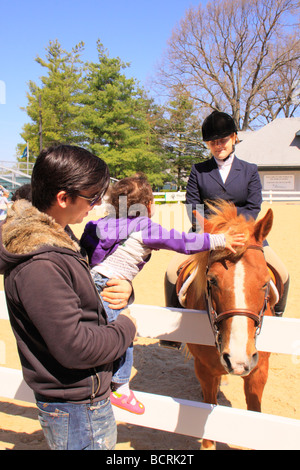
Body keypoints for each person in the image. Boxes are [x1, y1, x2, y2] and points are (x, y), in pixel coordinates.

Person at [0, 145, 137, 450]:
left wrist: (124, 288)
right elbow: (75, 347)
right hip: (77, 405)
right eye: (92, 198)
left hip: (77, 400)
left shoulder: (58, 237)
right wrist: (126, 328)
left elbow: (81, 293)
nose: (97, 204)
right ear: (63, 198)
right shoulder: (40, 264)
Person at [80, 173, 245, 410]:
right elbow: (184, 242)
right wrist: (219, 241)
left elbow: (84, 250)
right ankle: (121, 387)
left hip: (91, 281)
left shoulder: (99, 224)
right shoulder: (145, 227)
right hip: (111, 286)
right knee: (123, 334)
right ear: (148, 206)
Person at [185, 110, 289, 316]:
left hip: (246, 234)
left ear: (234, 138)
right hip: (207, 233)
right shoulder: (199, 171)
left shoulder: (249, 170)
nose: (218, 146)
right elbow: (192, 206)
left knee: (283, 273)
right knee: (173, 273)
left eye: (223, 140)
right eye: (212, 142)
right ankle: (177, 326)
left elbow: (253, 206)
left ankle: (277, 315)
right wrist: (214, 233)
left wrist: (236, 231)